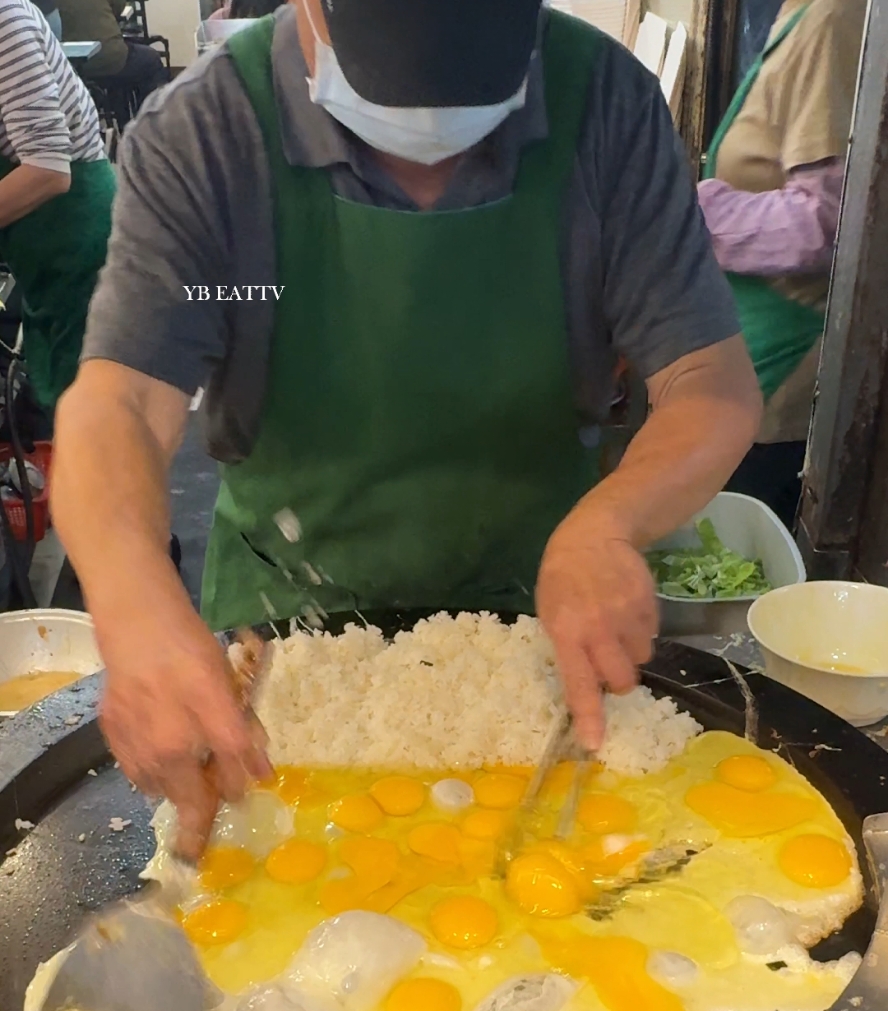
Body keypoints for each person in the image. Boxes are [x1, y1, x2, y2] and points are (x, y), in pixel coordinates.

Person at [51, 0, 762, 857]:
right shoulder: (209, 132)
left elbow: (710, 382)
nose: (434, 139)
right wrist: (131, 604)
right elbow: (120, 402)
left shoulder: (606, 103)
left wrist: (613, 522)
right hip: (285, 636)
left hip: (537, 626)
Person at [698, 0, 867, 527]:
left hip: (785, 361)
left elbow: (831, 218)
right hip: (743, 347)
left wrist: (701, 213)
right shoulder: (795, 12)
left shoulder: (834, 16)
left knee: (733, 561)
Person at [0, 0, 115, 412]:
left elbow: (48, 169)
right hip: (38, 253)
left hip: (77, 240)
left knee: (89, 423)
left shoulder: (5, 21)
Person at [57, 0, 167, 124]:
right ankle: (150, 124)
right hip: (111, 59)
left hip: (76, 65)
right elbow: (119, 7)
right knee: (151, 59)